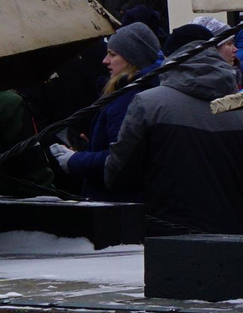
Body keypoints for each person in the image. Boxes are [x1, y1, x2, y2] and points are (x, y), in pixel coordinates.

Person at [104, 22, 243, 234]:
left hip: (167, 241)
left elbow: (117, 175)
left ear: (170, 58)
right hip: (237, 242)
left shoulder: (148, 105)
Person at [48, 23, 159, 192]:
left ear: (132, 59)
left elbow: (120, 159)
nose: (105, 60)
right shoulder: (128, 93)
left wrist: (75, 159)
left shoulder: (128, 100)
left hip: (115, 204)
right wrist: (90, 148)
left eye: (112, 54)